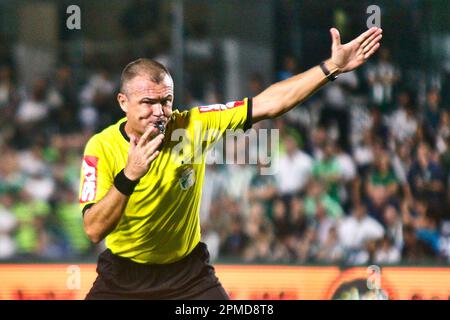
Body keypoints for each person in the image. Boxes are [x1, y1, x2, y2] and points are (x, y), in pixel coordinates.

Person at [80, 27, 383, 299]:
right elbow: (93, 230)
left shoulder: (192, 126)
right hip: (123, 278)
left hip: (187, 276)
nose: (159, 112)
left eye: (166, 101)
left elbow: (268, 103)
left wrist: (332, 67)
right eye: (148, 102)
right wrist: (129, 175)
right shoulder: (101, 147)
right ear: (123, 102)